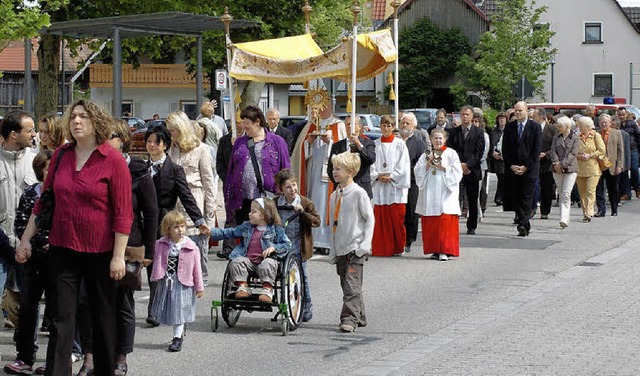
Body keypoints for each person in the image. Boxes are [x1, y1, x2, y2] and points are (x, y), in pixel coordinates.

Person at [16, 99, 133, 376]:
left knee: (102, 318)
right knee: (61, 319)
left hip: (101, 252)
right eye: (73, 117)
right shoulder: (61, 156)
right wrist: (25, 239)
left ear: (97, 122)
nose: (76, 121)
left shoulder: (112, 159)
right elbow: (43, 202)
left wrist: (118, 256)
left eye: (83, 117)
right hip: (63, 249)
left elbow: (123, 213)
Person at [144, 125, 209, 327]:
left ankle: (156, 310)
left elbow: (187, 197)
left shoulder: (174, 170)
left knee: (160, 266)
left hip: (165, 224)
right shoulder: (140, 168)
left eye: (156, 142)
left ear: (165, 145)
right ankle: (152, 308)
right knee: (146, 265)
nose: (152, 145)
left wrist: (199, 221)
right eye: (149, 142)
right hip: (143, 222)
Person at [108, 119, 158, 375]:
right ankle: (92, 356)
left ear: (124, 140)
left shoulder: (138, 170)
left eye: (112, 135)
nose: (107, 139)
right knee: (93, 301)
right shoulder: (95, 166)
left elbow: (151, 213)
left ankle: (121, 356)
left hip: (131, 245)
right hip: (99, 243)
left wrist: (149, 252)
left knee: (124, 303)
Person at [3, 150, 52, 375]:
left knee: (59, 311)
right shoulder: (31, 194)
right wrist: (41, 241)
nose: (51, 172)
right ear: (40, 171)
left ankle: (56, 359)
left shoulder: (65, 193)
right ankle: (24, 358)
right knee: (27, 308)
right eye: (47, 168)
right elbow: (21, 225)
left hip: (59, 260)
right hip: (33, 259)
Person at [166, 111, 216, 285]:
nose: (171, 134)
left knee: (196, 246)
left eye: (173, 130)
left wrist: (210, 211)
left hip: (194, 201)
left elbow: (209, 182)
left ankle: (199, 278)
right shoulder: (170, 149)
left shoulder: (200, 149)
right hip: (174, 204)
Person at [210, 198, 291, 303]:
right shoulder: (247, 227)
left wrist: (274, 248)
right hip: (249, 261)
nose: (249, 214)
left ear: (264, 215)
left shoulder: (275, 229)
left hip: (265, 261)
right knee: (236, 262)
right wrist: (212, 232)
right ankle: (243, 287)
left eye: (253, 212)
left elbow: (287, 244)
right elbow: (231, 232)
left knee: (267, 263)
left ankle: (267, 289)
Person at [224, 105, 291, 234]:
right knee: (245, 235)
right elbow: (231, 172)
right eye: (243, 122)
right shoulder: (240, 142)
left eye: (247, 123)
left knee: (266, 235)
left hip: (267, 198)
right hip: (243, 199)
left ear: (257, 122)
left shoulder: (277, 142)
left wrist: (284, 193)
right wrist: (229, 195)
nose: (244, 126)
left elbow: (286, 171)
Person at [328, 152, 374, 333]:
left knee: (351, 285)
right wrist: (332, 250)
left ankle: (349, 319)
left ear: (350, 172)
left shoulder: (358, 193)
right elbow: (333, 223)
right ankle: (360, 315)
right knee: (346, 284)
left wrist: (365, 244)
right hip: (341, 247)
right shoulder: (335, 196)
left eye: (338, 169)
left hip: (356, 247)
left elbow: (369, 219)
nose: (334, 172)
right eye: (334, 168)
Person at [291, 103, 346, 253]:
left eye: (324, 107)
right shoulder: (310, 125)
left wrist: (330, 142)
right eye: (318, 107)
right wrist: (309, 142)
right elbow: (300, 151)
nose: (320, 110)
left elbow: (343, 150)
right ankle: (312, 239)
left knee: (326, 204)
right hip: (312, 172)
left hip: (329, 174)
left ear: (331, 108)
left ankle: (327, 242)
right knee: (313, 202)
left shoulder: (338, 125)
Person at [0, 110, 38, 331]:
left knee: (29, 304)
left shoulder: (36, 162)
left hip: (28, 245)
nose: (34, 134)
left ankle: (26, 354)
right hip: (0, 242)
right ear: (14, 134)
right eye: (29, 130)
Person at [150, 211, 204, 352]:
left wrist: (199, 287)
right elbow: (154, 258)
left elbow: (197, 269)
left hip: (183, 283)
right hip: (167, 281)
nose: (180, 230)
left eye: (182, 226)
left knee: (179, 310)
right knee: (171, 309)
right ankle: (178, 332)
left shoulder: (191, 247)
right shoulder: (160, 244)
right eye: (176, 227)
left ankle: (177, 337)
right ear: (168, 229)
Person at [274, 169, 321, 322]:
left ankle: (307, 306)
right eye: (288, 187)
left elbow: (316, 221)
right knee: (282, 276)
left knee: (302, 276)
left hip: (299, 245)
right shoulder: (276, 203)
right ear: (281, 189)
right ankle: (285, 306)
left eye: (294, 185)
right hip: (281, 244)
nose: (293, 189)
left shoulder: (305, 202)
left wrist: (303, 213)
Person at [414, 129, 463, 260]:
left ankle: (445, 250)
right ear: (431, 139)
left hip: (445, 193)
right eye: (435, 138)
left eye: (440, 138)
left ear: (445, 139)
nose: (438, 141)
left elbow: (457, 173)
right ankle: (434, 249)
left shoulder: (451, 153)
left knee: (444, 221)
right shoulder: (426, 154)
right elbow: (417, 170)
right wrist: (427, 165)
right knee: (432, 222)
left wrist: (443, 167)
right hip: (430, 192)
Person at [370, 115, 410, 257]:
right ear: (380, 126)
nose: (386, 128)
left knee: (396, 218)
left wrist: (392, 176)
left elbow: (404, 164)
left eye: (389, 126)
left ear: (393, 127)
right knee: (381, 218)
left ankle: (398, 247)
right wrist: (377, 175)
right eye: (383, 125)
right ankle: (382, 248)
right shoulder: (375, 144)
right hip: (380, 184)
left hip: (394, 186)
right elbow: (371, 163)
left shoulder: (400, 144)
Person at [502, 101, 542, 237]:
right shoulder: (509, 127)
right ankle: (525, 222)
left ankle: (523, 225)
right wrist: (511, 165)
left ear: (526, 111)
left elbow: (535, 151)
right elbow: (505, 149)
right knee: (516, 198)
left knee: (526, 198)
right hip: (513, 169)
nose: (518, 113)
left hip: (529, 170)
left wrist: (526, 167)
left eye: (520, 111)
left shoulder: (535, 127)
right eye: (516, 111)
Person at [446, 105, 485, 235]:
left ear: (472, 116)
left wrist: (468, 165)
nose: (465, 117)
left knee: (472, 199)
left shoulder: (478, 132)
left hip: (472, 171)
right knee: (455, 198)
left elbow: (479, 152)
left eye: (467, 114)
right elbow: (451, 151)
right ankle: (453, 224)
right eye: (463, 114)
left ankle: (471, 225)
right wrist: (459, 166)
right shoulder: (453, 132)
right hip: (456, 170)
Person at [398, 112, 428, 254]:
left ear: (414, 126)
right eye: (403, 122)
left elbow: (421, 163)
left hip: (412, 181)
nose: (405, 125)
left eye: (408, 123)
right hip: (395, 182)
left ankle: (409, 239)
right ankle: (398, 238)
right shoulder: (395, 140)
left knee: (411, 212)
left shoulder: (419, 143)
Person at [327, 115, 376, 198]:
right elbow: (330, 169)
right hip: (342, 189)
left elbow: (371, 159)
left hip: (361, 187)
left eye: (352, 124)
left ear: (359, 127)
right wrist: (340, 181)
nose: (350, 126)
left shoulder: (368, 143)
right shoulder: (337, 146)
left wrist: (358, 145)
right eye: (347, 124)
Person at [549, 116, 580, 229]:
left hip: (570, 168)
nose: (558, 127)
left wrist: (563, 165)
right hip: (556, 168)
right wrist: (556, 163)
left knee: (566, 193)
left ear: (567, 126)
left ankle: (564, 218)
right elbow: (552, 151)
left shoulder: (575, 138)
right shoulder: (556, 136)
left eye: (560, 126)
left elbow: (573, 153)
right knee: (561, 193)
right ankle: (563, 216)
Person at [575, 116, 606, 222]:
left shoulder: (596, 136)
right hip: (580, 168)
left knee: (590, 190)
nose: (579, 127)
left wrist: (590, 155)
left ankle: (589, 212)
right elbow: (572, 151)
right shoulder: (576, 136)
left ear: (587, 126)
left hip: (593, 168)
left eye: (581, 125)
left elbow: (602, 150)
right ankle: (585, 212)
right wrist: (579, 156)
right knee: (582, 192)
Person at [595, 114, 624, 217]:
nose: (603, 124)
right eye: (601, 122)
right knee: (599, 189)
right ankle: (601, 210)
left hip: (612, 165)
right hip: (599, 165)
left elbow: (620, 150)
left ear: (610, 122)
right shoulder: (596, 133)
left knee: (613, 189)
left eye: (605, 122)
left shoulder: (617, 133)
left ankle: (614, 209)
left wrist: (619, 165)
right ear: (599, 123)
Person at [532, 107, 557, 220]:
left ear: (541, 117)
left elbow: (555, 146)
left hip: (546, 163)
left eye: (535, 117)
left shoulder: (551, 129)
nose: (533, 119)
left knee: (546, 188)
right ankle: (532, 208)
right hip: (533, 162)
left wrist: (545, 154)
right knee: (532, 187)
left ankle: (545, 211)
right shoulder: (531, 128)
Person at [490, 113, 507, 206]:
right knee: (501, 177)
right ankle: (499, 197)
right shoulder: (493, 131)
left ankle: (500, 197)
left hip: (505, 158)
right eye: (500, 118)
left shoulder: (509, 130)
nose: (502, 120)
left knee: (504, 178)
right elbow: (491, 143)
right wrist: (493, 152)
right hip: (497, 158)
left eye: (503, 118)